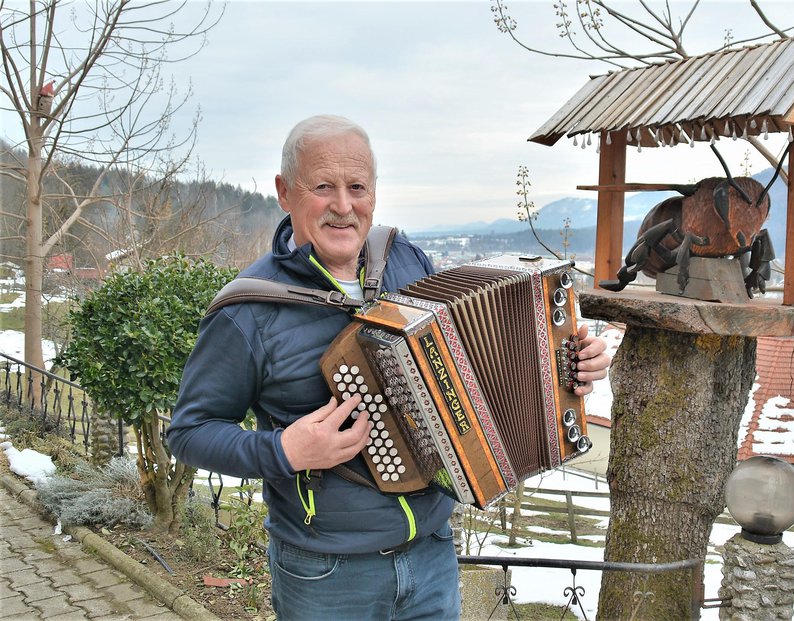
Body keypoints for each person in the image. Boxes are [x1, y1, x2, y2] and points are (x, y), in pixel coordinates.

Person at [166, 114, 610, 620]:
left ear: (374, 194)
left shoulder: (402, 258)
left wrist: (567, 369)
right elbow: (189, 432)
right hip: (327, 572)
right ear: (285, 192)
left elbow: (471, 364)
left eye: (357, 187)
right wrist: (284, 450)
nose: (343, 206)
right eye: (323, 187)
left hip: (432, 554)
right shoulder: (247, 310)